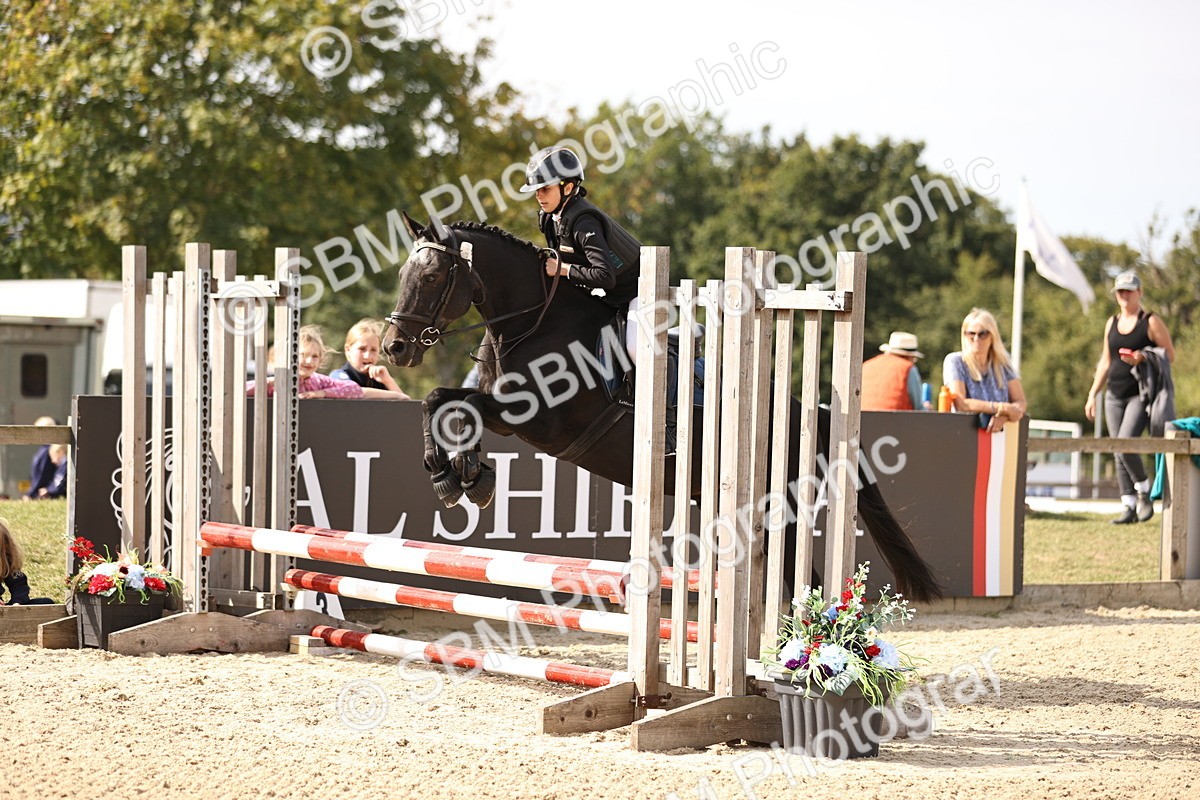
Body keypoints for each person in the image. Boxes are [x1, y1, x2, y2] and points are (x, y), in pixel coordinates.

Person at [520, 146, 644, 360]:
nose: (539, 196)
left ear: (567, 188)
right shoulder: (550, 217)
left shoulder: (584, 223)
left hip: (638, 292)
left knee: (634, 349)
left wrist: (563, 269)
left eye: (545, 189)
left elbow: (605, 276)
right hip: (607, 295)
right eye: (536, 191)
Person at [1084, 271, 1176, 524]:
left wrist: (1143, 357)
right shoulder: (1111, 322)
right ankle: (1129, 505)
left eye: (1129, 291)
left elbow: (1170, 354)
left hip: (1139, 392)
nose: (1124, 295)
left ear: (1139, 292)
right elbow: (1105, 360)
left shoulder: (1150, 321)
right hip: (1114, 393)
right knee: (1117, 448)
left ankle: (1144, 489)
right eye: (1120, 291)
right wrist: (1093, 394)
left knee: (1125, 442)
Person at [943, 308, 1027, 433]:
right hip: (963, 435)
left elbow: (1020, 402)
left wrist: (1003, 416)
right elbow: (961, 404)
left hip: (998, 440)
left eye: (982, 334)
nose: (976, 338)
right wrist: (1002, 408)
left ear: (992, 336)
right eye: (971, 334)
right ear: (964, 335)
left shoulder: (1003, 363)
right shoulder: (955, 361)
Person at [248, 325, 384, 399]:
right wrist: (271, 382)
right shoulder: (276, 382)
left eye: (315, 356)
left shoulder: (319, 381)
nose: (309, 361)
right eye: (303, 355)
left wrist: (323, 393)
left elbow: (353, 388)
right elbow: (240, 391)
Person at [330, 319, 411, 399]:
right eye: (362, 349)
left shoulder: (380, 380)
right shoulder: (338, 376)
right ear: (348, 350)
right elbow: (351, 391)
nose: (367, 356)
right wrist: (396, 395)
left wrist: (388, 380)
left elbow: (406, 406)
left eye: (373, 350)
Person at [862, 331, 926, 411]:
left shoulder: (866, 365)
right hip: (894, 421)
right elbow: (918, 408)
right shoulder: (908, 368)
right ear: (910, 356)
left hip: (862, 420)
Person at [0, 518, 56, 605]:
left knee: (45, 603)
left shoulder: (6, 563)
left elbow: (19, 586)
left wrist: (17, 602)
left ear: (5, 548)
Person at [24, 416, 59, 499]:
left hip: (41, 494)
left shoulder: (47, 450)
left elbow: (41, 474)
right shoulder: (47, 448)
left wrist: (30, 494)